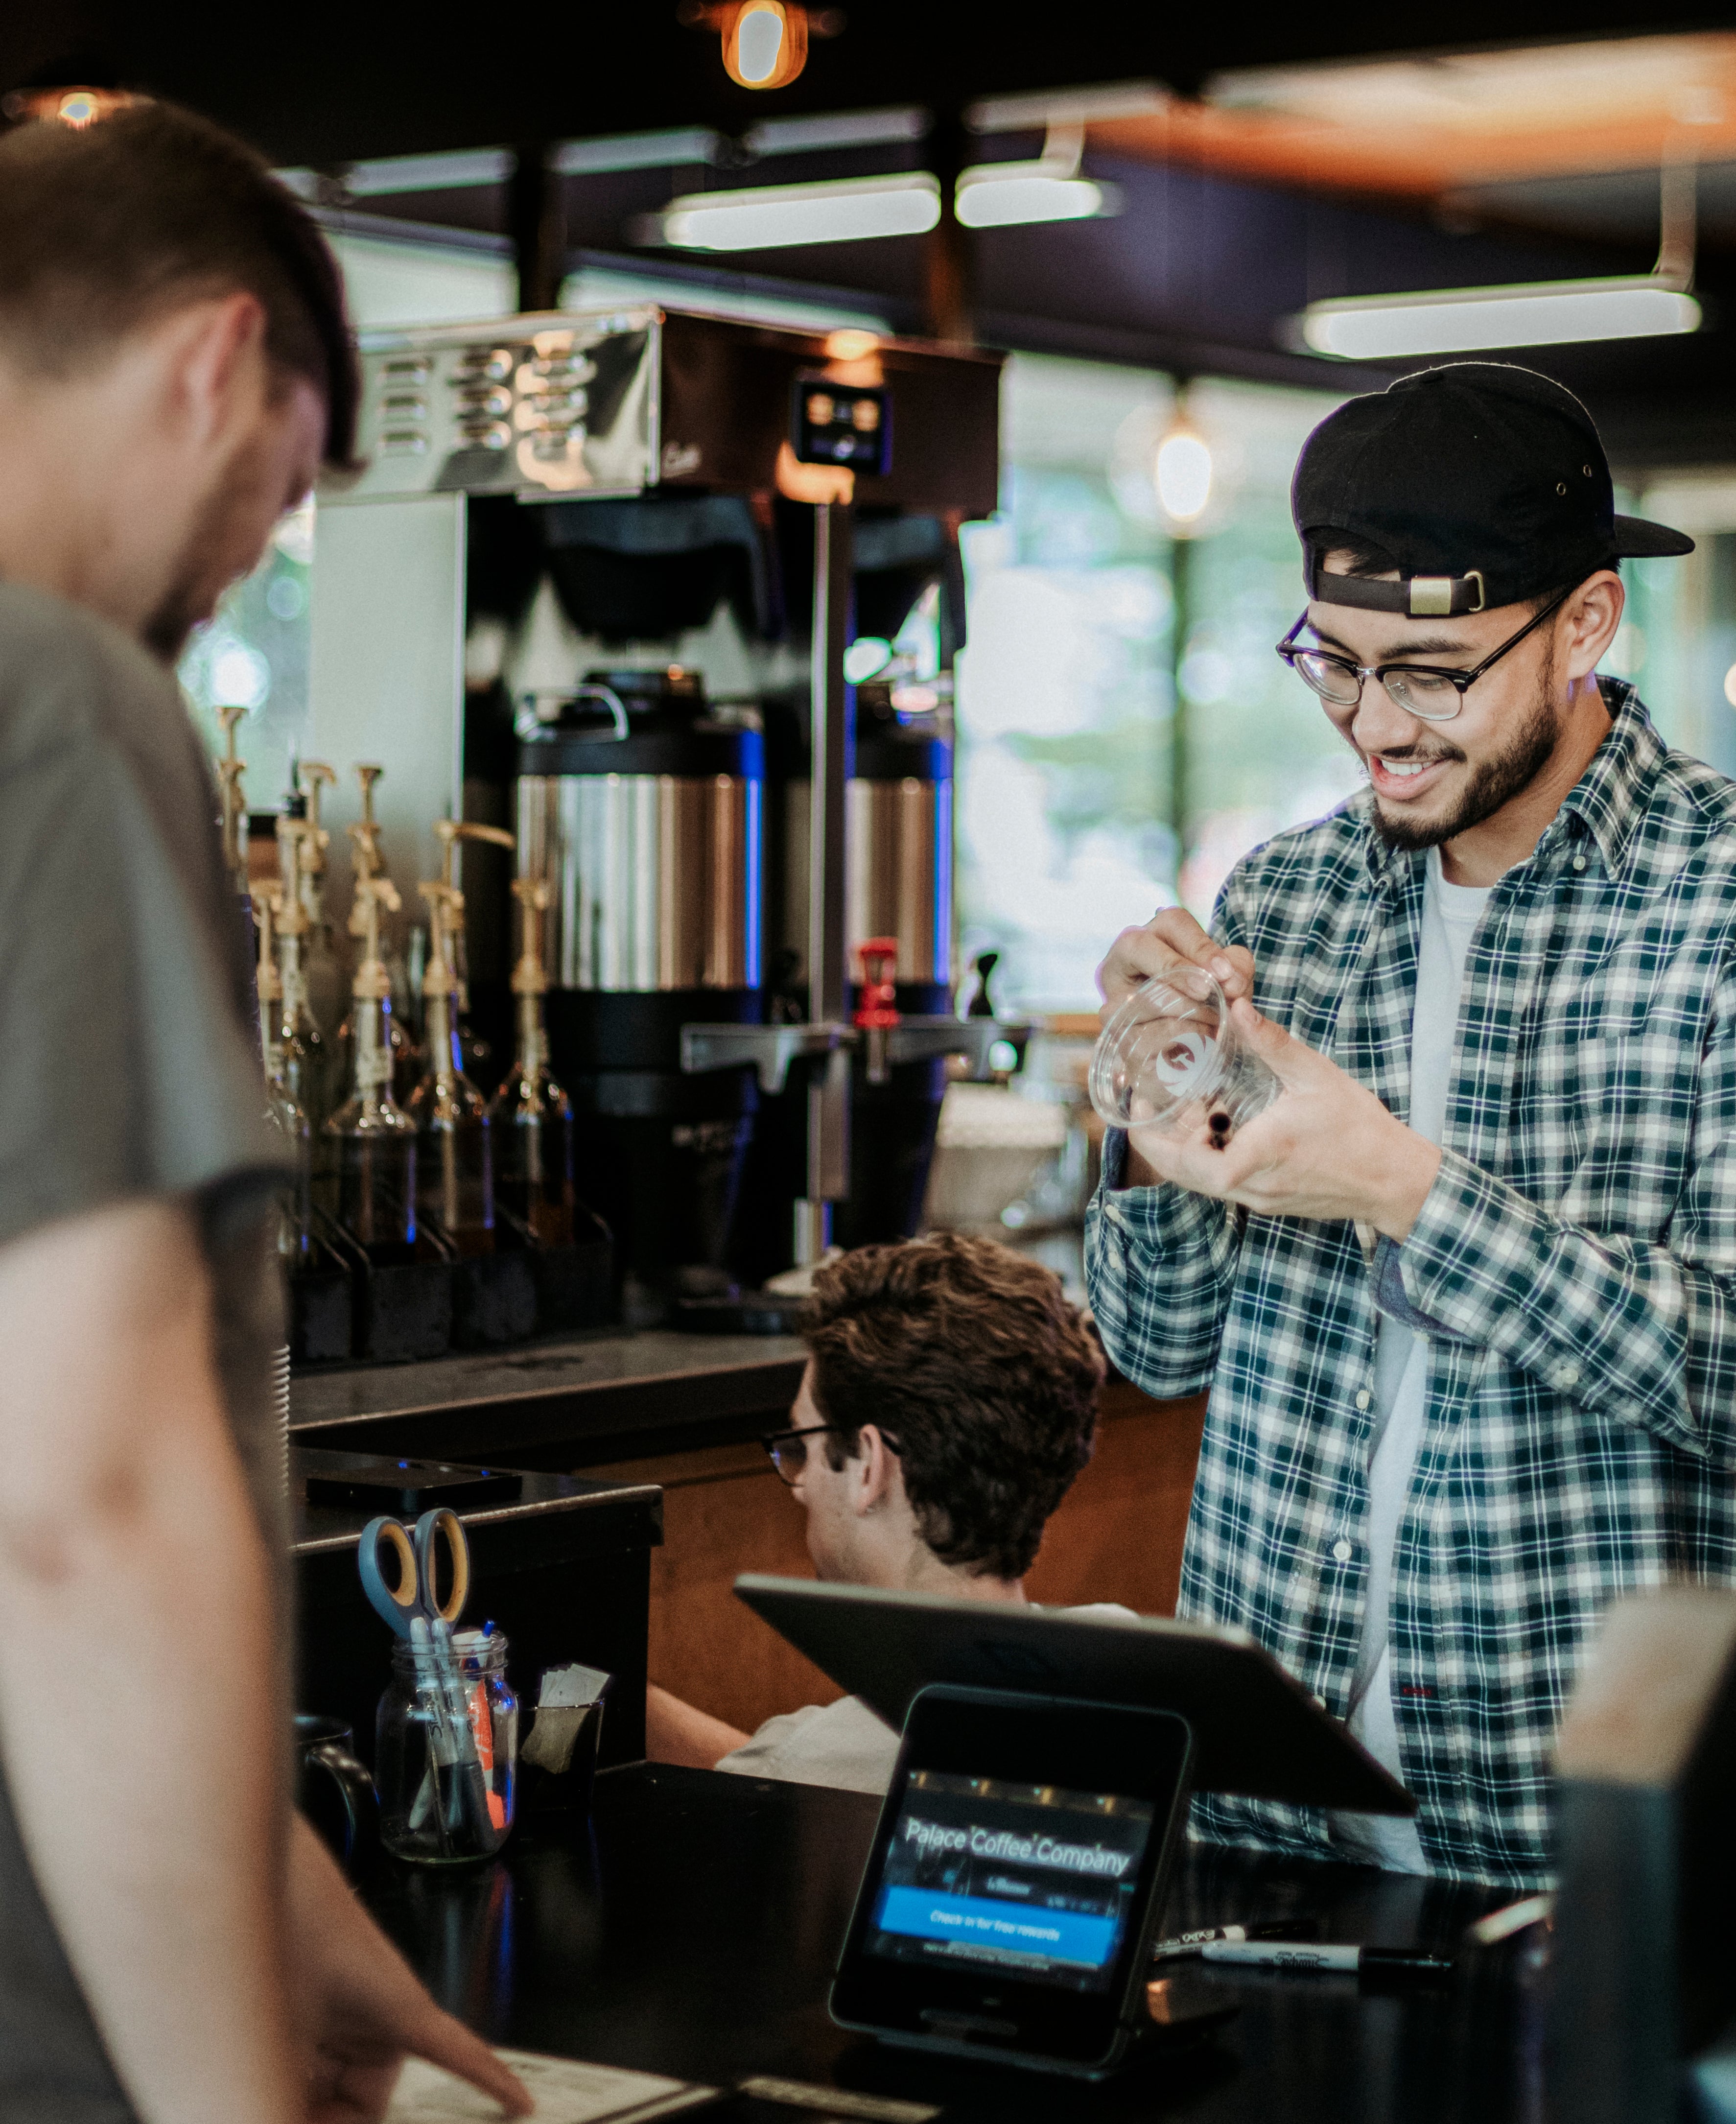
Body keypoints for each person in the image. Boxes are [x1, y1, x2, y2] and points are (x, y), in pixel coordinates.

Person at [1086, 363, 1736, 1891]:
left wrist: (1403, 1187)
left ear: (1585, 625)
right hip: (1271, 1804)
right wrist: (1153, 1117)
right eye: (1333, 665)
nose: (1373, 726)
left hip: (1600, 1844)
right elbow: (1156, 1346)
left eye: (1430, 673)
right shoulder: (1288, 900)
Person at [0, 105, 527, 2122]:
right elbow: (85, 1505)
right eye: (280, 494)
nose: (240, 574)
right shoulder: (57, 699)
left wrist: (268, 1879)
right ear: (216, 362)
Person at [646, 1233, 1114, 1795]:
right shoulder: (1124, 1664)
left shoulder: (807, 1761)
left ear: (869, 1464)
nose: (800, 1487)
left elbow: (786, 1774)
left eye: (803, 1445)